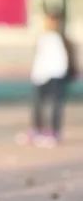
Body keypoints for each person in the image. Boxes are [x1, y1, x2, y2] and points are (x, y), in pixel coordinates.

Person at [22, 9, 73, 148]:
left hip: (56, 76)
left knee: (55, 105)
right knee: (37, 104)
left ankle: (54, 132)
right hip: (40, 76)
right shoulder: (43, 38)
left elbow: (66, 59)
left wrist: (66, 74)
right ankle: (37, 130)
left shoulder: (62, 39)